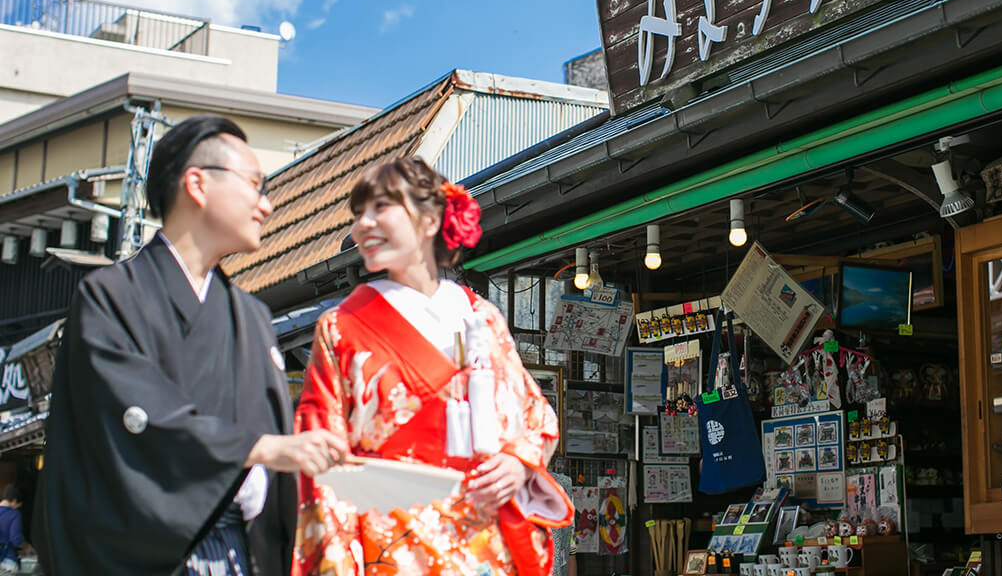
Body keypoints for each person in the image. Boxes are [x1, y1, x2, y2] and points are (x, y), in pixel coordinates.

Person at [33, 115, 348, 576]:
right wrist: (261, 447)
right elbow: (136, 413)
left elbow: (277, 445)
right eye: (255, 185)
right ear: (197, 185)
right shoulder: (110, 296)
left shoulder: (251, 317)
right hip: (141, 553)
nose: (267, 205)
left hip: (243, 548)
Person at [292, 157, 573, 576]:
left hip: (483, 541)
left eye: (381, 207)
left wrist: (517, 463)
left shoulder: (482, 316)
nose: (363, 224)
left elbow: (533, 416)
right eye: (358, 214)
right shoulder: (341, 327)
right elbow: (320, 451)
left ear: (428, 221)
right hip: (389, 544)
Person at [0, 485, 28, 572]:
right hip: (5, 561)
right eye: (19, 505)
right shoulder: (14, 514)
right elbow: (16, 539)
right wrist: (27, 547)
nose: (18, 507)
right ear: (15, 500)